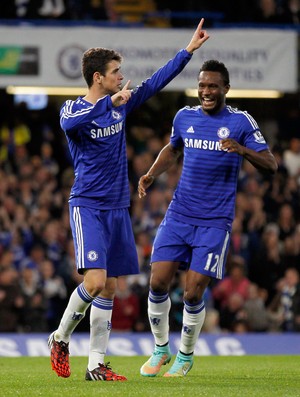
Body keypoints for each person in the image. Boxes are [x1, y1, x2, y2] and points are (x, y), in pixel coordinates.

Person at [48, 19, 210, 382]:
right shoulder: (74, 110)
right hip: (87, 203)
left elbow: (155, 82)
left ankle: (95, 365)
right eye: (115, 73)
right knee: (93, 282)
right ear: (97, 78)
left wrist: (187, 51)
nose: (121, 78)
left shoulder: (120, 104)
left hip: (118, 206)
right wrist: (110, 104)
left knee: (109, 287)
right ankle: (59, 338)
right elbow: (69, 127)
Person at [138, 59, 278, 377]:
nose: (206, 91)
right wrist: (150, 174)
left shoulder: (241, 122)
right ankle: (161, 349)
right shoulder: (184, 117)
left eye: (212, 85)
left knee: (192, 292)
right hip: (179, 214)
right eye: (202, 85)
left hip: (215, 221)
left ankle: (185, 356)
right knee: (157, 282)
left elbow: (271, 164)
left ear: (225, 88)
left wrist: (242, 150)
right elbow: (173, 150)